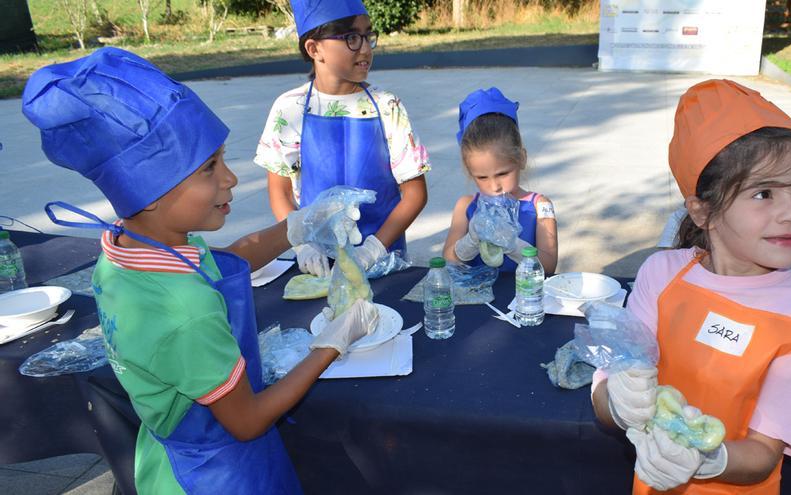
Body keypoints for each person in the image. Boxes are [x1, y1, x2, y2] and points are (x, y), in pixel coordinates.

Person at [21, 47, 379, 494]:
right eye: (210, 167)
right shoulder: (184, 310)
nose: (230, 178)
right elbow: (246, 421)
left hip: (169, 452)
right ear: (148, 189)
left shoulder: (127, 250)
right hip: (215, 474)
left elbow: (226, 263)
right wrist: (332, 344)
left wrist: (296, 226)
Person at [590, 79, 791, 494]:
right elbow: (610, 385)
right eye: (764, 193)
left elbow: (762, 453)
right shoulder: (661, 274)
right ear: (702, 211)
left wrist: (708, 458)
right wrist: (617, 403)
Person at [254, 0, 430, 277]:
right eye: (351, 38)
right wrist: (303, 247)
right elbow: (280, 192)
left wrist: (371, 251)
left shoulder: (388, 106)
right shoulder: (289, 109)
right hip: (319, 266)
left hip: (383, 260)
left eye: (368, 35)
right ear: (314, 49)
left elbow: (415, 193)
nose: (365, 48)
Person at [442, 87, 558, 273]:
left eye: (503, 174)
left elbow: (549, 266)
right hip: (476, 296)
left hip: (525, 296)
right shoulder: (465, 206)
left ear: (521, 158)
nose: (495, 186)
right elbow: (448, 259)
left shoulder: (540, 205)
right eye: (481, 177)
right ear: (470, 172)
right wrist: (469, 243)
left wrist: (513, 245)